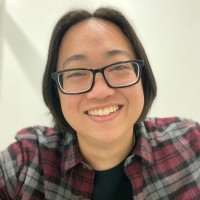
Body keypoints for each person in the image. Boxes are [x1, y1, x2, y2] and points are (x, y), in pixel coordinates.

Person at [0, 7, 200, 200]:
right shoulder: (26, 162)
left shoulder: (191, 143)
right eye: (77, 73)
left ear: (142, 77)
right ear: (56, 91)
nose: (100, 91)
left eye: (119, 66)